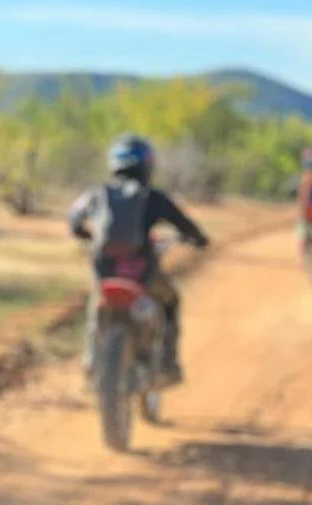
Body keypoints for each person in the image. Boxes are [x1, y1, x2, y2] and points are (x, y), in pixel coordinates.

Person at [68, 133, 209, 385]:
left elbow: (74, 220)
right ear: (147, 165)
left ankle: (90, 362)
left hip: (105, 271)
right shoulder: (153, 197)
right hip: (143, 273)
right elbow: (186, 225)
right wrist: (198, 239)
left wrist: (89, 235)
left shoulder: (98, 195)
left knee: (97, 304)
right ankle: (169, 364)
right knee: (170, 300)